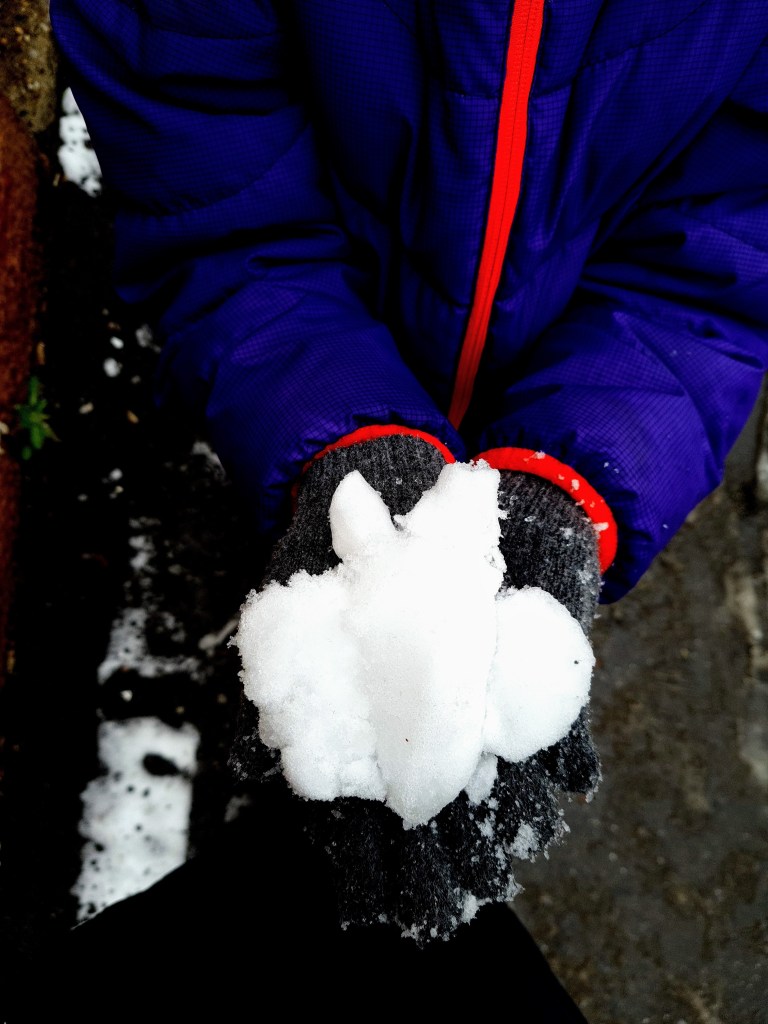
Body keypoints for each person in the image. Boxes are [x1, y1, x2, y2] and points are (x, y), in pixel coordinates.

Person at [37, 0, 768, 1018]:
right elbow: (215, 195)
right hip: (303, 341)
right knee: (300, 632)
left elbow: (723, 260)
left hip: (569, 357)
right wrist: (326, 437)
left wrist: (579, 472)